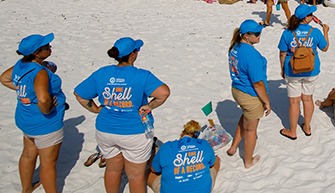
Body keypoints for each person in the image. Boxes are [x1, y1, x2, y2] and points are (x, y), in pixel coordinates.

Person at [74, 38, 171, 193]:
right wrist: (149, 106)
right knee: (135, 175)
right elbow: (164, 93)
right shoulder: (142, 75)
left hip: (105, 130)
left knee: (112, 170)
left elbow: (79, 94)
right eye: (137, 50)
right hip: (134, 132)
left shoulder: (102, 72)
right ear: (132, 54)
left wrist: (96, 109)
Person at [0, 33, 66, 193]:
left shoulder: (20, 64)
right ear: (37, 53)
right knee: (48, 164)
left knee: (28, 155)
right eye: (46, 47)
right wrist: (48, 108)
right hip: (45, 123)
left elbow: (4, 78)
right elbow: (43, 100)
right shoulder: (40, 72)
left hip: (26, 118)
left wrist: (27, 94)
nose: (50, 48)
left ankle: (26, 189)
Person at [278, 5, 329, 139]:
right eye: (311, 14)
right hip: (311, 70)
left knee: (294, 102)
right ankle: (307, 126)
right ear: (306, 18)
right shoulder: (315, 31)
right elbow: (325, 48)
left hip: (292, 69)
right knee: (307, 98)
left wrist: (282, 68)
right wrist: (326, 32)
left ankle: (293, 130)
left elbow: (282, 53)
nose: (312, 16)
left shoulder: (288, 32)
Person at [225, 20, 271, 168]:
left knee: (245, 116)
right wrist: (266, 102)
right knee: (251, 129)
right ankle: (248, 161)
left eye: (260, 32)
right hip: (250, 94)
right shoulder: (252, 56)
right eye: (256, 34)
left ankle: (233, 146)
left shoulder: (235, 47)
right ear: (246, 35)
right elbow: (258, 84)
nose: (259, 36)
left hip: (237, 89)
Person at [148, 120, 220, 192]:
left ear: (182, 133)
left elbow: (155, 170)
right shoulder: (204, 144)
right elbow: (212, 163)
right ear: (196, 138)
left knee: (147, 172)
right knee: (216, 160)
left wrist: (152, 158)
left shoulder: (167, 147)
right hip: (203, 190)